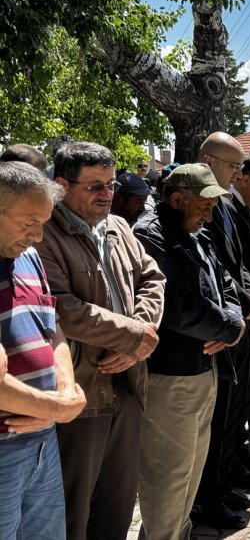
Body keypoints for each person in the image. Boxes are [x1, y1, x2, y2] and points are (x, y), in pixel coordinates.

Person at [36, 141, 166, 540]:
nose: (107, 194)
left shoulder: (119, 227)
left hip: (128, 386)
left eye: (110, 184)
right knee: (74, 515)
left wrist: (138, 337)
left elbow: (153, 279)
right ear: (61, 186)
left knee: (117, 508)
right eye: (95, 186)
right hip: (82, 393)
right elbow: (61, 307)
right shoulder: (42, 234)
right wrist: (133, 337)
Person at [133, 163, 247, 539]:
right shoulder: (152, 235)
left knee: (190, 474)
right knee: (169, 477)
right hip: (171, 377)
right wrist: (231, 327)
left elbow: (227, 284)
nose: (210, 214)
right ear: (178, 198)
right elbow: (179, 306)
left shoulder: (196, 231)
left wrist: (233, 321)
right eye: (205, 205)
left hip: (203, 369)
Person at [0, 162, 87, 537]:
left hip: (42, 438)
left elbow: (52, 331)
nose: (38, 236)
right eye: (28, 222)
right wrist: (57, 408)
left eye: (44, 223)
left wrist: (65, 393)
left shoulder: (29, 256)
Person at [195, 132, 250, 529]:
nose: (238, 175)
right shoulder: (199, 202)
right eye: (233, 166)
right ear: (208, 159)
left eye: (240, 168)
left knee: (232, 411)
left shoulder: (222, 203)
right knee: (217, 419)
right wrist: (240, 307)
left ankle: (221, 486)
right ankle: (208, 500)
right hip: (219, 326)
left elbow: (233, 267)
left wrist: (249, 297)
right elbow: (214, 270)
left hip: (236, 319)